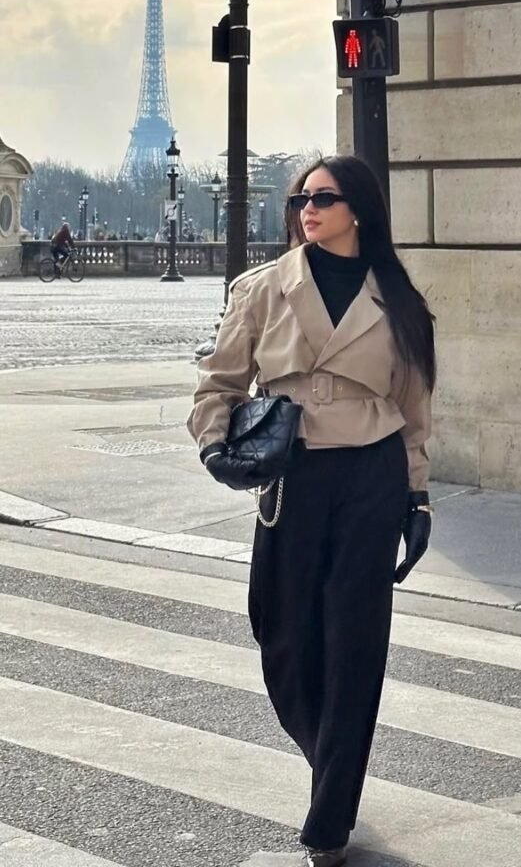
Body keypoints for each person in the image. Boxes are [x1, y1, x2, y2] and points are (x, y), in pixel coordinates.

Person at [187, 155, 435, 867]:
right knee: (282, 631)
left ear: (357, 208)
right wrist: (213, 446)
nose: (306, 208)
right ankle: (327, 751)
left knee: (355, 638)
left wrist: (416, 497)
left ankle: (330, 812)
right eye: (300, 197)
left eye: (322, 197)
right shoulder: (264, 288)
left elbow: (414, 408)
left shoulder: (397, 295)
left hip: (371, 470)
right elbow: (220, 382)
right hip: (291, 472)